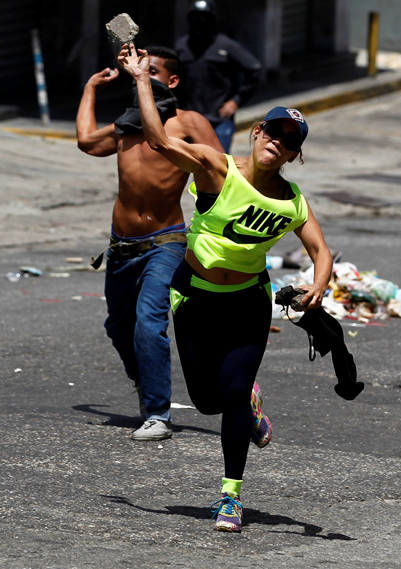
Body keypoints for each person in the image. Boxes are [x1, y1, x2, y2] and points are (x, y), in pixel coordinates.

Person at [120, 43, 333, 532]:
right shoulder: (218, 169)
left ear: (296, 155)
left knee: (232, 391)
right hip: (193, 296)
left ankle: (229, 497)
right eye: (273, 130)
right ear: (258, 132)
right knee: (207, 401)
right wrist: (139, 79)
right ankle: (249, 408)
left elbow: (322, 252)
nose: (278, 141)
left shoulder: (293, 201)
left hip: (247, 303)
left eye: (290, 140)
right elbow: (156, 139)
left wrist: (317, 287)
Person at [76, 45, 222, 441]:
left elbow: (222, 171)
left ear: (172, 81)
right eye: (138, 69)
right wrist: (90, 87)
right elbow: (88, 142)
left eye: (151, 70)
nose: (142, 73)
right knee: (118, 329)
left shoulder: (188, 122)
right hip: (122, 245)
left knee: (148, 321)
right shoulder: (127, 123)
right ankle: (147, 385)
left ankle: (158, 413)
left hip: (167, 240)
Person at [175, 0, 264, 152]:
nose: (199, 22)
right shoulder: (182, 46)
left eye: (204, 17)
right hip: (190, 119)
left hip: (219, 119)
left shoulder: (226, 46)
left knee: (218, 165)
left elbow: (255, 69)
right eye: (195, 17)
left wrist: (237, 100)